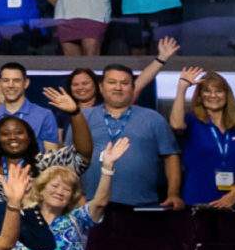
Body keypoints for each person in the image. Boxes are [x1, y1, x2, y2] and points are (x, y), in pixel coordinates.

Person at [71, 66, 180, 210]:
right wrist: (77, 197)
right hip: (91, 205)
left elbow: (171, 157)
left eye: (124, 83)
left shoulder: (154, 118)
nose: (118, 87)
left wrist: (173, 193)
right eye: (112, 82)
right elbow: (70, 161)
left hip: (141, 205)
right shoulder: (82, 118)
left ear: (133, 88)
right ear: (101, 87)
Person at [169, 70, 235, 210]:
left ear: (226, 95)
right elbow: (176, 124)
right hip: (197, 201)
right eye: (207, 91)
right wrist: (182, 88)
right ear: (199, 96)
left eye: (218, 91)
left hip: (234, 203)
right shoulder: (192, 121)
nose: (213, 95)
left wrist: (234, 194)